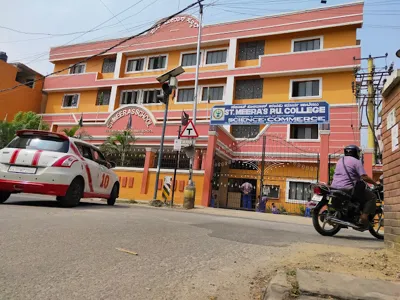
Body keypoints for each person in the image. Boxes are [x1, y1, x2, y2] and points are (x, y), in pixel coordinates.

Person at [330, 145, 379, 229]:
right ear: (356, 152)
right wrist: (375, 183)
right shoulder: (356, 162)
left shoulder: (340, 161)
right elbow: (364, 177)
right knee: (372, 197)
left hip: (334, 187)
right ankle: (363, 217)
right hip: (348, 189)